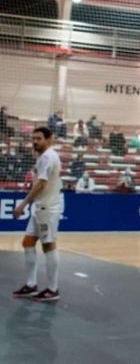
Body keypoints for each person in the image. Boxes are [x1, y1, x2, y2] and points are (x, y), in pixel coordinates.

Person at [11, 127, 63, 301]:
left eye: (39, 138)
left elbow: (41, 184)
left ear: (49, 139)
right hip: (40, 207)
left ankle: (53, 289)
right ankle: (31, 285)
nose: (34, 141)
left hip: (46, 208)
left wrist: (23, 204)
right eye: (33, 138)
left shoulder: (48, 157)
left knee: (48, 245)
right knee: (28, 242)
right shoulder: (44, 156)